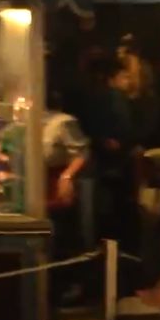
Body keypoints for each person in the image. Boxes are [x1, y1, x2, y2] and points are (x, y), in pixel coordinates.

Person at [81, 56, 141, 253]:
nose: (128, 81)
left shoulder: (95, 98)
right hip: (117, 169)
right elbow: (125, 129)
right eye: (124, 76)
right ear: (112, 79)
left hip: (103, 167)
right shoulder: (116, 99)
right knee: (116, 223)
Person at [43, 92, 91, 307]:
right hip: (36, 180)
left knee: (59, 239)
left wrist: (67, 176)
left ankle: (56, 297)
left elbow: (80, 152)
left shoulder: (63, 122)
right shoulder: (25, 121)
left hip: (56, 182)